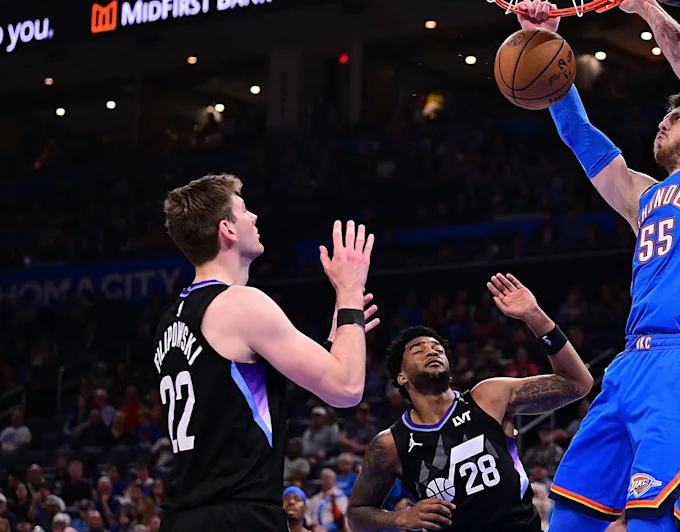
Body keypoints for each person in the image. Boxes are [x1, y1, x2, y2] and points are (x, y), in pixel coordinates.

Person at [516, 0, 680, 532]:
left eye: (675, 118)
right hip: (628, 366)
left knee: (650, 520)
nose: (663, 122)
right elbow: (581, 137)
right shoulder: (643, 197)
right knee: (570, 517)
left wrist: (646, 4)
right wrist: (547, 48)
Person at [155, 175, 379, 531]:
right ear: (227, 229)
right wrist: (350, 291)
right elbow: (347, 388)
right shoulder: (241, 304)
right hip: (239, 517)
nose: (255, 218)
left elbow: (256, 407)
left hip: (184, 516)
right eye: (244, 210)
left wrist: (335, 340)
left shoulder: (172, 320)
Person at [347, 273, 593, 531]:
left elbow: (577, 383)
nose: (431, 351)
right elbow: (356, 514)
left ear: (450, 372)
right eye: (419, 350)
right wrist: (399, 518)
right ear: (401, 376)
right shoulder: (389, 444)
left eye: (438, 350)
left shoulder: (488, 397)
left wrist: (534, 316)